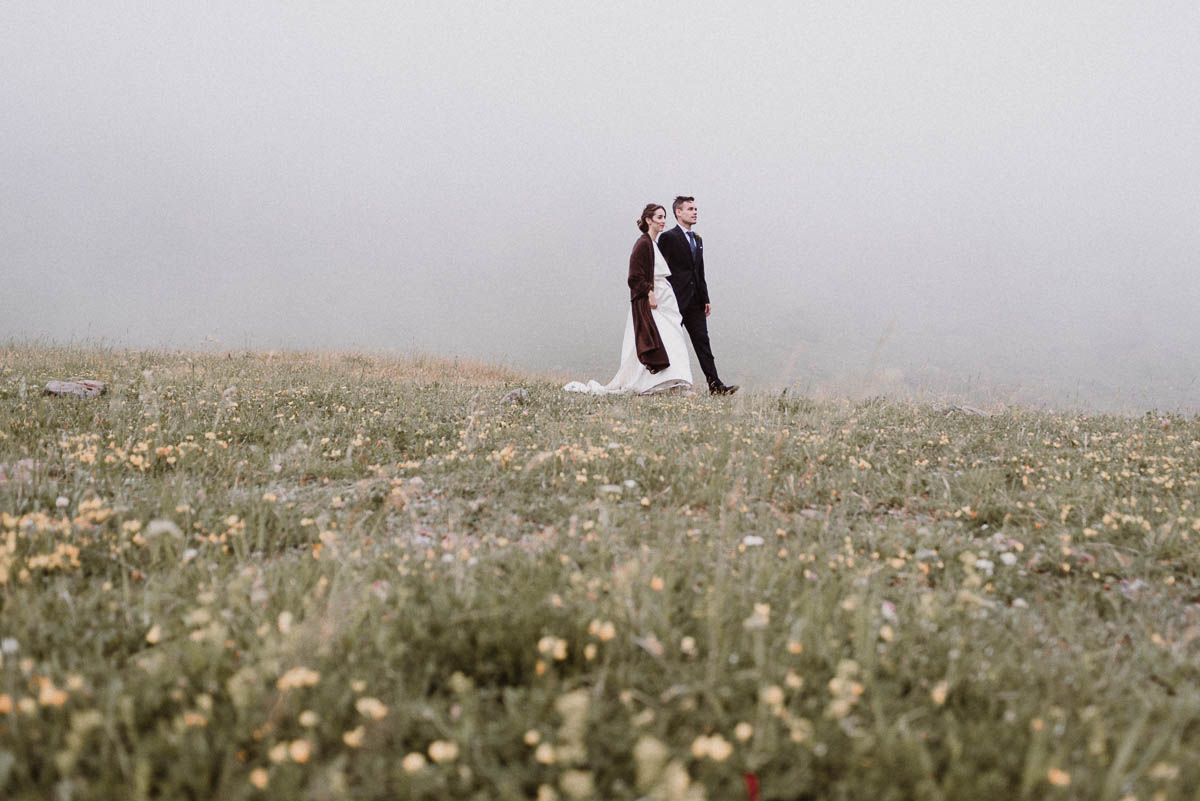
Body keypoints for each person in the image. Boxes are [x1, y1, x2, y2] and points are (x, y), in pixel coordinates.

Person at [564, 204, 693, 395]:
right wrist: (649, 293)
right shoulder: (642, 244)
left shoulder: (653, 244)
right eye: (659, 217)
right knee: (658, 339)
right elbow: (634, 277)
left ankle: (672, 383)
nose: (663, 221)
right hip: (654, 302)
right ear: (649, 220)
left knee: (671, 339)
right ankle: (652, 382)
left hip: (664, 301)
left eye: (664, 217)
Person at [656, 196, 739, 395]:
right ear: (678, 212)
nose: (695, 212)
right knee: (668, 342)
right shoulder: (668, 237)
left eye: (696, 209)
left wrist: (706, 298)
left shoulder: (698, 239)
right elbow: (659, 267)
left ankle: (715, 386)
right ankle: (659, 383)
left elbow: (699, 271)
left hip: (696, 302)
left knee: (703, 343)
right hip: (674, 300)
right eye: (690, 209)